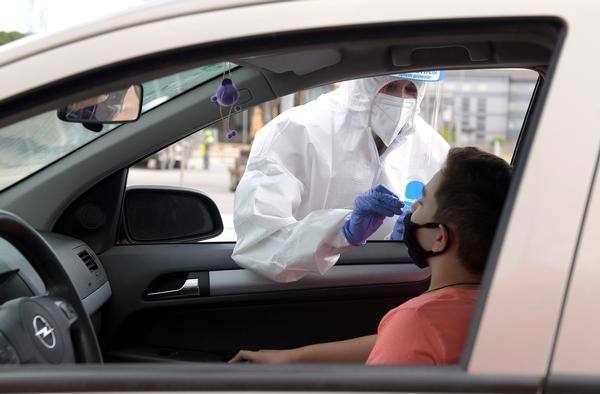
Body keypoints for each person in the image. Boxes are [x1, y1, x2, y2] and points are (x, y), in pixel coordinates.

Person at [230, 147, 512, 365]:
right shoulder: (504, 309)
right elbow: (397, 341)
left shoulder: (419, 321)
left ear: (439, 236)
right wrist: (292, 357)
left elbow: (411, 336)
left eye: (422, 202)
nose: (411, 210)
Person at [232, 73, 450, 283]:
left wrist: (413, 242)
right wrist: (341, 231)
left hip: (392, 287)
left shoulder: (431, 147)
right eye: (390, 86)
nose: (400, 100)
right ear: (363, 85)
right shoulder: (296, 130)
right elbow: (260, 243)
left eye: (411, 89)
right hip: (305, 292)